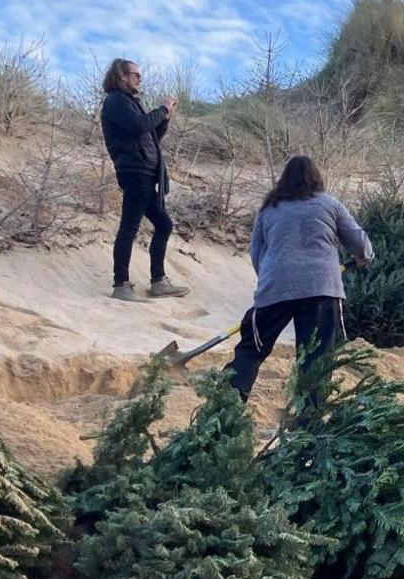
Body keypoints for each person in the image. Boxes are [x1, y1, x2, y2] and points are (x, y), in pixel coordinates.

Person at [225, 155, 373, 407]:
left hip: (275, 288)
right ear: (317, 178)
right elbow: (359, 242)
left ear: (283, 180)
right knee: (316, 359)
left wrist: (272, 279)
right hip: (322, 289)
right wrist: (363, 256)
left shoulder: (269, 208)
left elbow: (255, 251)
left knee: (251, 348)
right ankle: (308, 427)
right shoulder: (330, 204)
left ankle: (224, 410)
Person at [100, 58, 190, 301]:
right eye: (135, 74)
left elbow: (151, 136)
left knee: (164, 224)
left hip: (145, 172)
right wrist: (161, 110)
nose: (139, 78)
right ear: (122, 76)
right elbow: (140, 126)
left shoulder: (129, 102)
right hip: (134, 172)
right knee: (129, 227)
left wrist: (166, 117)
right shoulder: (116, 101)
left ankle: (158, 281)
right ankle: (121, 284)